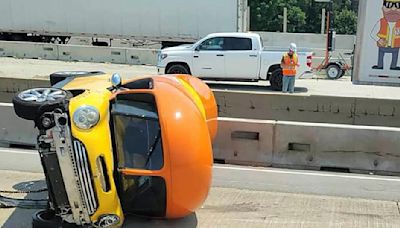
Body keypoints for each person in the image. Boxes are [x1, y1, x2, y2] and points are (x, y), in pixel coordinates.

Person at [371, 0, 400, 70]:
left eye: (398, 6)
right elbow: (372, 33)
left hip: (395, 45)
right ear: (382, 8)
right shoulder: (381, 22)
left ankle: (393, 66)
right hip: (383, 45)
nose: (393, 9)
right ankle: (380, 65)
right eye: (388, 5)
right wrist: (378, 40)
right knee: (381, 55)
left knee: (395, 56)